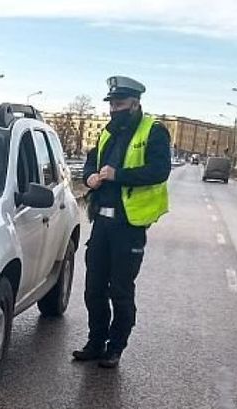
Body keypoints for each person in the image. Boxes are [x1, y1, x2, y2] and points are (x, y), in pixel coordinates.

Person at [73, 76, 172, 368]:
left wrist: (119, 175)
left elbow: (160, 170)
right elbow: (92, 161)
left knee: (120, 289)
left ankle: (115, 347)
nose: (114, 109)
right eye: (112, 104)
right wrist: (89, 176)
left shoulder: (153, 131)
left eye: (120, 104)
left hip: (129, 226)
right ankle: (95, 341)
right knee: (93, 288)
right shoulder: (107, 132)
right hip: (101, 223)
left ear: (135, 104)